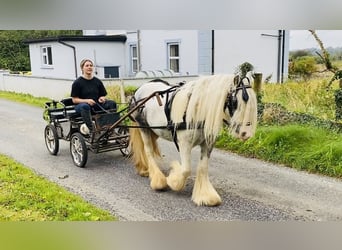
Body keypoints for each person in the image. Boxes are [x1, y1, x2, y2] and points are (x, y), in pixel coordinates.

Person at [71, 59, 117, 135]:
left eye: (91, 65)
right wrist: (86, 101)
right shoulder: (77, 83)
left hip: (96, 105)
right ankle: (92, 131)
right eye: (87, 65)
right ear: (82, 68)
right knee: (85, 106)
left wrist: (102, 98)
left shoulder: (97, 81)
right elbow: (74, 100)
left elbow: (102, 95)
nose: (89, 67)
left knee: (112, 103)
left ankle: (110, 127)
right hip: (81, 106)